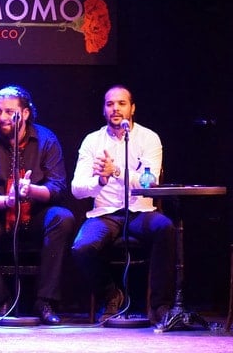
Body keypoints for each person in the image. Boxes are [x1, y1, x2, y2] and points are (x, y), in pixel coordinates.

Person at [0, 85, 74, 325]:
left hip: (36, 216)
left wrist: (31, 191)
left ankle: (46, 301)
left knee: (63, 218)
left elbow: (58, 188)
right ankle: (1, 301)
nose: (2, 117)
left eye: (9, 112)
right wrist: (7, 201)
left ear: (26, 113)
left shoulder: (46, 140)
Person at [70, 84, 175, 324]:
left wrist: (116, 171)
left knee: (165, 228)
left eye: (121, 103)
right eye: (110, 104)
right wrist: (100, 180)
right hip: (106, 214)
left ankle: (160, 306)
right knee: (82, 248)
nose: (115, 109)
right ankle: (111, 294)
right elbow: (77, 188)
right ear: (103, 110)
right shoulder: (92, 141)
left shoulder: (149, 138)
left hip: (140, 211)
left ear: (132, 108)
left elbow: (150, 182)